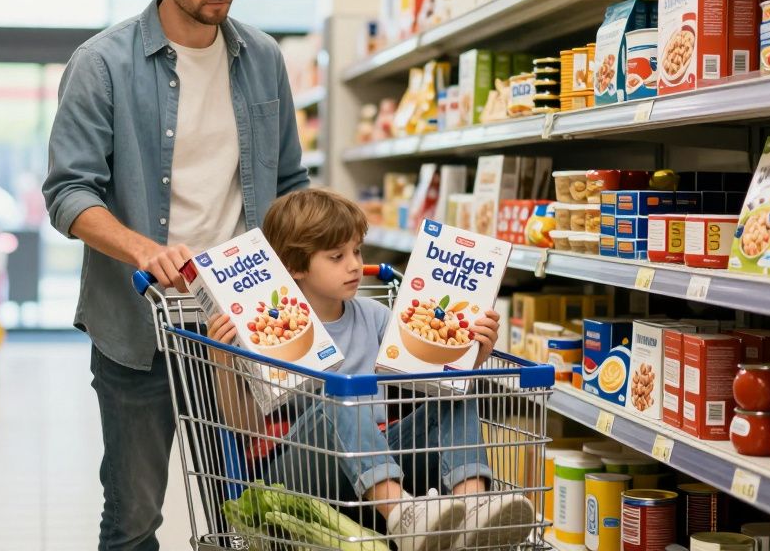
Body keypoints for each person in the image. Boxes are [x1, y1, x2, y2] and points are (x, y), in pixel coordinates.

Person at [42, 0, 310, 551]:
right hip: (138, 327)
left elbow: (289, 183)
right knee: (134, 518)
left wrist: (318, 259)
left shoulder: (265, 61)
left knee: (246, 513)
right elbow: (68, 193)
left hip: (241, 327)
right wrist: (143, 250)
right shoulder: (101, 65)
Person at [208, 189, 534, 551]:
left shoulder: (374, 316)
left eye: (357, 251)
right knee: (341, 394)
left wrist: (471, 357)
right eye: (337, 256)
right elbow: (246, 429)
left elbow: (427, 382)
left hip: (376, 462)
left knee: (453, 393)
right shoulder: (268, 329)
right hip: (302, 472)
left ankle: (475, 507)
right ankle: (402, 516)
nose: (354, 265)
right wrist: (222, 360)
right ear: (294, 266)